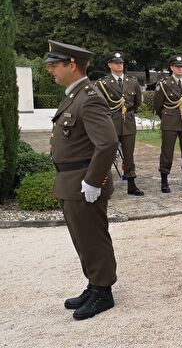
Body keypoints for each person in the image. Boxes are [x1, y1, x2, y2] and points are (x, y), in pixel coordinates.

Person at [45, 40, 119, 320]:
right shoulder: (72, 96)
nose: (51, 70)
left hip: (84, 182)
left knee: (93, 237)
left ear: (72, 65)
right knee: (82, 238)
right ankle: (94, 283)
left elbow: (108, 142)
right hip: (71, 181)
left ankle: (103, 291)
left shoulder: (89, 98)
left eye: (55, 65)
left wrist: (93, 180)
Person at [95, 51, 143, 196]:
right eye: (116, 63)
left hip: (127, 122)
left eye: (121, 62)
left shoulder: (132, 82)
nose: (119, 65)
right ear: (109, 65)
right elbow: (99, 105)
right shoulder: (102, 83)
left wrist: (126, 112)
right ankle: (104, 185)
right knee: (107, 155)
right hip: (111, 123)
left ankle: (131, 184)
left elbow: (137, 103)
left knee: (129, 155)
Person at [153, 55, 182, 192]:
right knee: (167, 151)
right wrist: (167, 117)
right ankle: (164, 180)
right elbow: (158, 105)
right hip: (170, 121)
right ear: (171, 67)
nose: (180, 69)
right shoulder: (164, 84)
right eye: (177, 66)